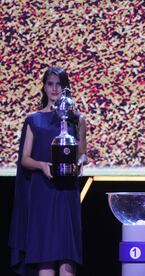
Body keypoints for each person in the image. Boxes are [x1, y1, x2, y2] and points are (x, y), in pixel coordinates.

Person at [9, 66, 88, 276]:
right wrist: (43, 166)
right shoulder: (33, 119)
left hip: (66, 193)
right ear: (44, 87)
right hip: (42, 192)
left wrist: (78, 164)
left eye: (59, 84)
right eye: (50, 84)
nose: (55, 88)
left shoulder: (77, 119)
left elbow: (83, 154)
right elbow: (25, 159)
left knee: (67, 257)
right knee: (45, 258)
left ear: (66, 87)